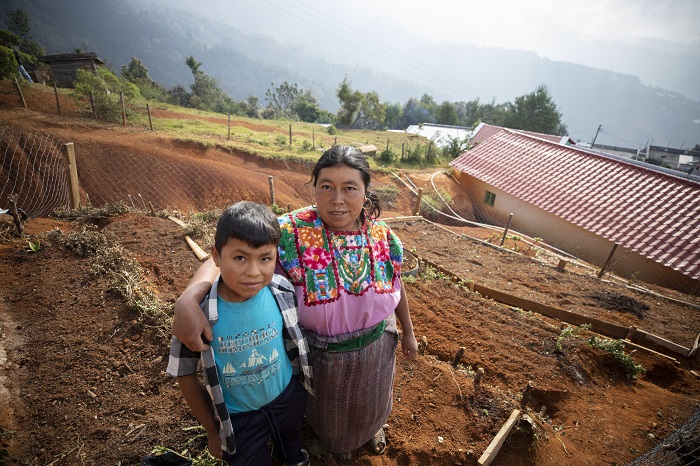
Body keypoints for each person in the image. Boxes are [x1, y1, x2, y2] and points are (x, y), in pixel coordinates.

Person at [172, 145, 418, 461]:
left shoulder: (383, 235)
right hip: (321, 356)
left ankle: (370, 428)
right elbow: (222, 257)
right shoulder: (290, 231)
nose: (337, 200)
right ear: (314, 187)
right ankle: (326, 441)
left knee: (371, 401)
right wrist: (188, 299)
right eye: (326, 186)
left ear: (366, 192)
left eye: (349, 189)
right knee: (326, 413)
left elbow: (396, 283)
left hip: (377, 349)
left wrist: (408, 332)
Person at [167, 201, 313, 466]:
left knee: (291, 448)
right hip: (238, 420)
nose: (253, 271)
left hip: (286, 401)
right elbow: (184, 373)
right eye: (240, 258)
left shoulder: (281, 291)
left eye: (265, 258)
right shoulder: (198, 316)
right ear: (216, 256)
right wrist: (213, 431)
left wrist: (298, 391)